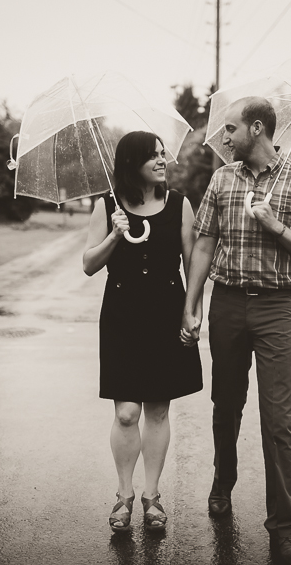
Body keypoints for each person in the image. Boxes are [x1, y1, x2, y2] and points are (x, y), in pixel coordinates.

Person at [181, 97, 291, 565]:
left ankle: (283, 528)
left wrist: (274, 225)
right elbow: (204, 245)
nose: (223, 139)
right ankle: (222, 482)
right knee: (225, 405)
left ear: (257, 128)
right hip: (227, 304)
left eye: (230, 129)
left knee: (277, 420)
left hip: (278, 309)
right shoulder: (223, 179)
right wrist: (192, 305)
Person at [83, 130, 203, 534]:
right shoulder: (106, 206)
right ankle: (124, 494)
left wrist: (192, 312)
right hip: (122, 316)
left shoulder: (180, 206)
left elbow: (192, 265)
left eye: (161, 153)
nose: (161, 160)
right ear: (132, 163)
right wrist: (116, 235)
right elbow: (88, 263)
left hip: (166, 313)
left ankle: (151, 496)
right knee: (126, 411)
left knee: (157, 409)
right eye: (152, 155)